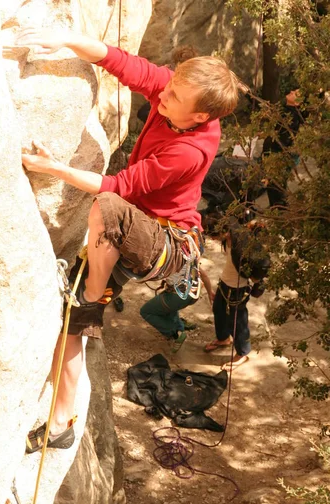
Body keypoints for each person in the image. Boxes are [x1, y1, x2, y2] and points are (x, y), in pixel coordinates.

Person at [15, 26, 240, 452]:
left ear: (200, 117)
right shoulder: (174, 95)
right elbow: (123, 63)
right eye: (169, 87)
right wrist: (67, 39)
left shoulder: (189, 150)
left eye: (174, 98)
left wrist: (52, 168)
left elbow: (118, 187)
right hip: (140, 231)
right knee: (71, 323)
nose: (163, 96)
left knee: (106, 210)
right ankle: (61, 422)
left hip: (169, 242)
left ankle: (93, 298)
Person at [204, 220, 270, 371]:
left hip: (237, 288)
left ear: (223, 232)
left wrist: (256, 280)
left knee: (238, 321)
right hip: (225, 282)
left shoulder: (241, 246)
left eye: (214, 236)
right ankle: (223, 338)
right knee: (218, 309)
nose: (213, 239)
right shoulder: (231, 231)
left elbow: (264, 263)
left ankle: (243, 353)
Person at [140, 266, 214, 353]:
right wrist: (210, 293)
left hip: (176, 296)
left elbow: (151, 272)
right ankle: (180, 327)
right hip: (193, 294)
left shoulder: (170, 254)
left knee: (145, 311)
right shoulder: (190, 252)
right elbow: (204, 275)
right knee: (168, 305)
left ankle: (175, 332)